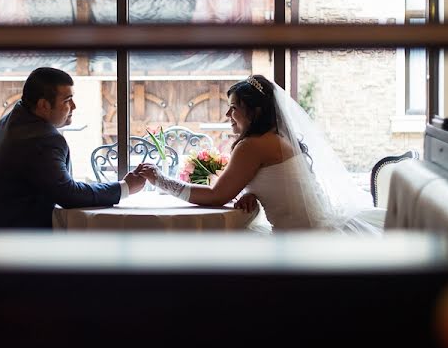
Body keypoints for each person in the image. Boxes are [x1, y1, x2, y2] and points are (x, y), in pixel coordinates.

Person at [137, 75, 384, 234]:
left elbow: (215, 196)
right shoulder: (278, 138)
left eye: (233, 108)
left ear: (254, 112)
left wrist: (160, 180)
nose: (227, 116)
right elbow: (281, 183)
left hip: (303, 243)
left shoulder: (252, 146)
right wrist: (249, 192)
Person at [0, 67, 145, 230]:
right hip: (3, 249)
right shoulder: (43, 139)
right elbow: (68, 194)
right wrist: (124, 188)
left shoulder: (13, 119)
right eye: (67, 100)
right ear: (43, 105)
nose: (74, 106)